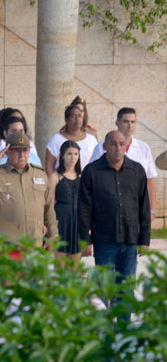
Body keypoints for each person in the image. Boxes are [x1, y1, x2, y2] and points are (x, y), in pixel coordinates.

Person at [79, 131, 150, 319]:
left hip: (130, 240)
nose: (118, 148)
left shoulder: (137, 171)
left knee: (125, 289)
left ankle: (124, 332)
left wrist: (145, 239)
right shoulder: (91, 171)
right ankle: (102, 332)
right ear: (105, 146)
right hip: (104, 242)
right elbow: (84, 209)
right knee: (103, 287)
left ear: (126, 146)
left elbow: (144, 206)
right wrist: (85, 240)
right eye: (113, 144)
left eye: (121, 144)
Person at [0, 132, 57, 249]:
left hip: (34, 244)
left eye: (25, 150)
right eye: (16, 150)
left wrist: (53, 234)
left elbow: (48, 207)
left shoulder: (39, 174)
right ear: (7, 151)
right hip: (8, 245)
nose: (22, 154)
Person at [89, 107, 159, 222]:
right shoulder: (102, 147)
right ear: (117, 123)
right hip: (107, 209)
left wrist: (152, 210)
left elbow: (149, 180)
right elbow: (91, 178)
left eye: (133, 122)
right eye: (126, 121)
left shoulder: (143, 148)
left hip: (135, 209)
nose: (130, 126)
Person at [49, 140, 81, 259]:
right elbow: (50, 204)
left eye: (76, 154)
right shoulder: (55, 177)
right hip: (61, 220)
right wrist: (50, 225)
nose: (73, 157)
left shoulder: (82, 177)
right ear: (62, 156)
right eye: (69, 154)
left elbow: (87, 204)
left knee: (76, 263)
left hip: (77, 222)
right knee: (60, 262)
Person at [45, 104, 98, 176]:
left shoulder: (91, 139)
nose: (77, 119)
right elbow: (49, 167)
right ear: (66, 119)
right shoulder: (56, 139)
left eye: (79, 116)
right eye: (73, 116)